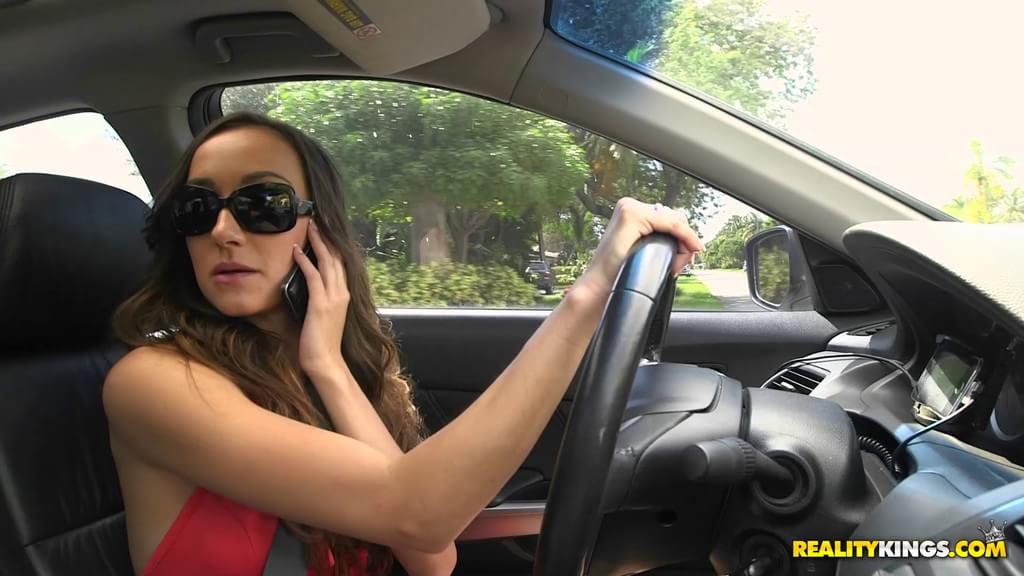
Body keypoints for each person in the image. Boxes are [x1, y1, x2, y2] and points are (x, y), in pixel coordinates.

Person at [103, 112, 703, 576]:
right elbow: (418, 515)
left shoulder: (312, 367)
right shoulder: (152, 383)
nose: (223, 230)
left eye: (263, 204)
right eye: (198, 209)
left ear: (318, 230)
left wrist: (328, 366)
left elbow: (430, 558)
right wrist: (589, 295)